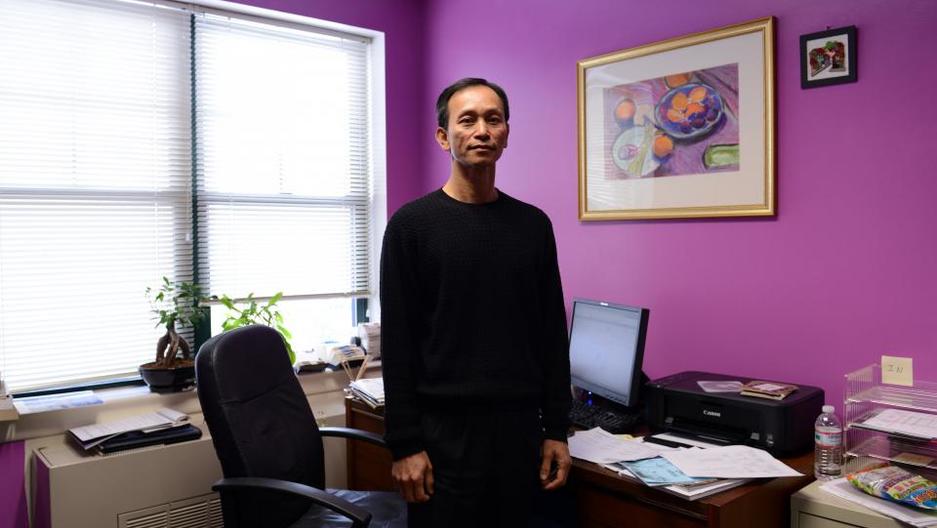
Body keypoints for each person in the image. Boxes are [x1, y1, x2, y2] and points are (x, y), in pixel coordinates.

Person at [379, 77, 572, 527]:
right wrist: (404, 444)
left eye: (494, 119)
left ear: (506, 133)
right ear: (444, 136)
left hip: (520, 434)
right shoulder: (411, 227)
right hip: (443, 437)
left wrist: (557, 430)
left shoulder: (533, 225)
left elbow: (550, 333)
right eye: (467, 120)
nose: (482, 130)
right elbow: (400, 344)